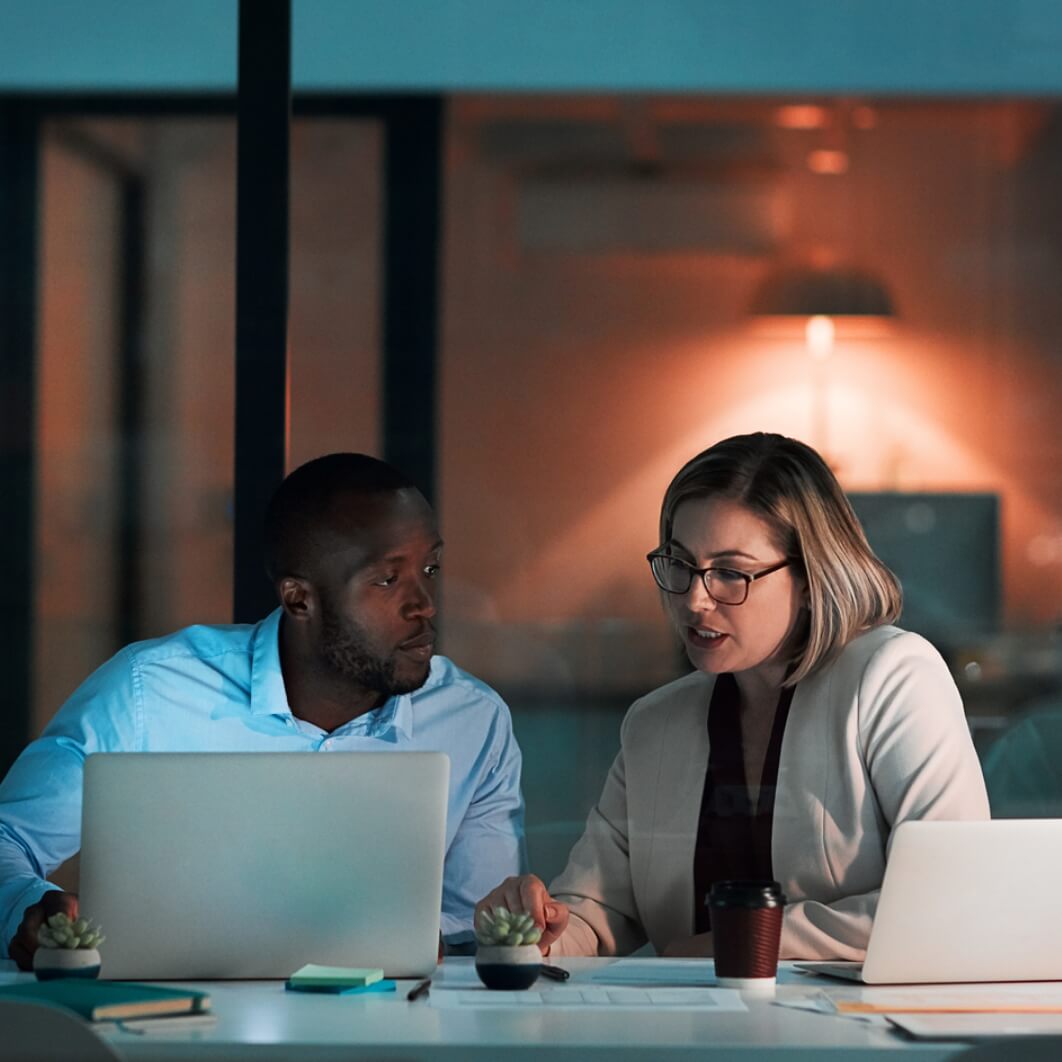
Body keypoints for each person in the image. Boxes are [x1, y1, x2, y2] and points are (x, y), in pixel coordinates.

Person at [0, 453, 525, 969]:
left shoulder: (473, 721)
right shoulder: (148, 692)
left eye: (430, 568)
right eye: (388, 580)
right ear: (300, 599)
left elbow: (472, 935)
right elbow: (10, 837)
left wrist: (488, 934)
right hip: (173, 1036)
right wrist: (27, 909)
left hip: (389, 1036)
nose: (425, 604)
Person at [477, 432, 989, 960]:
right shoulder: (656, 722)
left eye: (730, 572)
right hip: (697, 1034)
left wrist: (739, 945)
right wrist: (534, 931)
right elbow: (597, 912)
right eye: (680, 564)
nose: (696, 600)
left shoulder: (893, 676)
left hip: (859, 1033)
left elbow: (955, 895)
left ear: (811, 577)